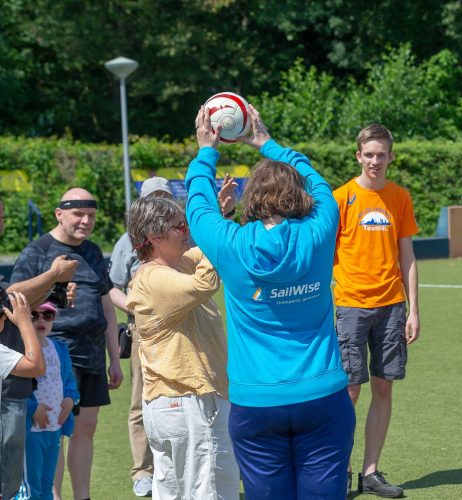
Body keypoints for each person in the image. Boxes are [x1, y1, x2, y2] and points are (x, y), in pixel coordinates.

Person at [185, 104, 355, 499]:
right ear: (299, 197)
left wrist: (206, 150)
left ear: (252, 198)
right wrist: (267, 143)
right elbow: (320, 185)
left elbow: (198, 207)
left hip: (255, 402)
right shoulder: (320, 228)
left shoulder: (232, 243)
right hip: (323, 397)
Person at [10, 188, 123, 500]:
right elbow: (15, 299)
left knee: (86, 429)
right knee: (53, 429)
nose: (85, 221)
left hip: (92, 355)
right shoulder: (38, 250)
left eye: (91, 216)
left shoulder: (93, 251)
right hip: (53, 356)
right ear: (59, 214)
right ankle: (53, 496)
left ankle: (82, 496)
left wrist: (114, 357)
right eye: (78, 215)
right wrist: (52, 277)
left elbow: (106, 307)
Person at [126, 196, 240, 500]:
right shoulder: (154, 277)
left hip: (183, 404)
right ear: (155, 236)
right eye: (180, 226)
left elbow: (206, 250)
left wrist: (218, 216)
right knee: (209, 492)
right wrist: (217, 225)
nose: (187, 231)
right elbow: (205, 281)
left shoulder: (175, 264)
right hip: (188, 402)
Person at [333, 123, 420, 498]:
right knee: (349, 390)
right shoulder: (340, 198)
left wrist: (414, 309)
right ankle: (341, 470)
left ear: (391, 156)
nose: (374, 160)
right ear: (358, 156)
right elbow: (323, 256)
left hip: (391, 307)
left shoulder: (400, 197)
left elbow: (408, 256)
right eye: (368, 154)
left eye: (381, 154)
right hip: (350, 305)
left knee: (384, 387)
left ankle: (370, 472)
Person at [1, 199, 77, 500]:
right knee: (10, 485)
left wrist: (53, 291)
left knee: (16, 482)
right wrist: (52, 276)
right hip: (9, 393)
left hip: (13, 393)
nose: (3, 220)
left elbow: (10, 302)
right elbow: (9, 303)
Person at [108, 176, 173, 498]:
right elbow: (113, 286)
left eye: (165, 197)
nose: (160, 203)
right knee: (141, 403)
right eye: (154, 197)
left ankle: (172, 467)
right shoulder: (127, 242)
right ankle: (142, 470)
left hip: (179, 328)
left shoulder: (180, 236)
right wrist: (135, 309)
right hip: (144, 331)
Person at [17, 302, 79, 500]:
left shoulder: (58, 348)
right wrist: (33, 408)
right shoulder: (21, 349)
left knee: (47, 484)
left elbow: (68, 378)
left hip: (54, 428)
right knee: (30, 485)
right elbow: (16, 386)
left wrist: (70, 398)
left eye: (48, 315)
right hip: (31, 430)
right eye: (34, 315)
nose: (41, 320)